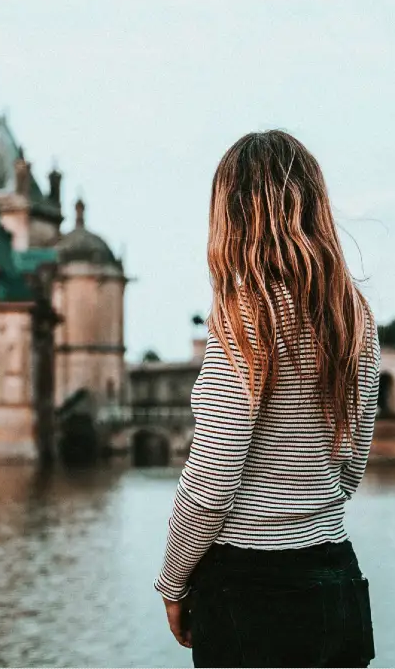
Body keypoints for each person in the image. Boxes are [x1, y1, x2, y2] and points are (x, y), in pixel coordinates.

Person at [154, 130, 381, 668]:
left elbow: (211, 484)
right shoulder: (356, 318)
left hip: (252, 594)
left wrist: (173, 580)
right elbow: (350, 470)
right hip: (337, 581)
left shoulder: (245, 319)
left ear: (231, 215)